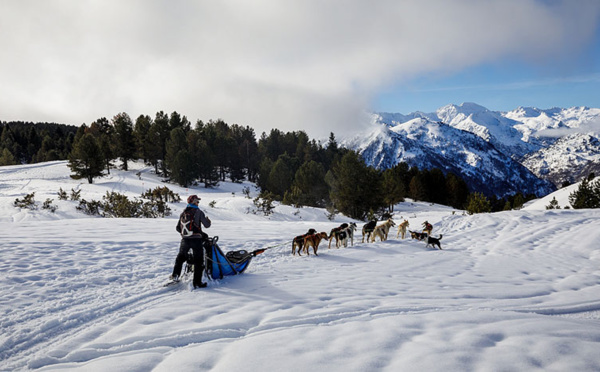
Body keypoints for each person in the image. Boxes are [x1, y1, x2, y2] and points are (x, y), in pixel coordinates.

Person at [171, 194, 211, 288]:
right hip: (196, 240)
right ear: (194, 202)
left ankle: (175, 276)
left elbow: (177, 228)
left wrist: (186, 234)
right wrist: (208, 221)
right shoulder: (198, 212)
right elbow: (207, 225)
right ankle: (197, 282)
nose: (198, 203)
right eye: (197, 201)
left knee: (180, 258)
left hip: (184, 240)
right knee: (198, 261)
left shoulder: (183, 213)